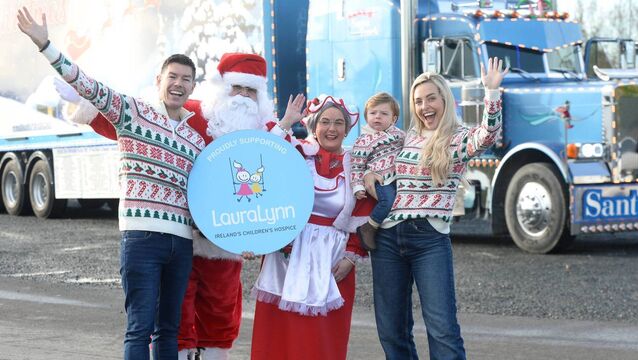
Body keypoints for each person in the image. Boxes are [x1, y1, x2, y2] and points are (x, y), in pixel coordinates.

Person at [56, 53, 279, 360]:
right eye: (237, 88)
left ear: (261, 96)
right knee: (174, 313)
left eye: (250, 91)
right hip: (182, 233)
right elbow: (130, 126)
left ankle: (213, 354)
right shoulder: (196, 116)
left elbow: (280, 191)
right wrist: (89, 109)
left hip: (227, 241)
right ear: (222, 89)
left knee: (221, 306)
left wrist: (263, 239)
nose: (242, 97)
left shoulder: (270, 134)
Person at [17, 7, 205, 360]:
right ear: (159, 79)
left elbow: (213, 195)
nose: (179, 84)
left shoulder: (197, 142)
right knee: (139, 328)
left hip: (181, 244)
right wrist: (46, 45)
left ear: (193, 85)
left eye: (186, 79)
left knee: (170, 331)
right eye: (173, 76)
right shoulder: (132, 112)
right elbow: (85, 84)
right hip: (142, 238)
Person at [365, 58, 508, 359]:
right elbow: (374, 156)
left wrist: (492, 93)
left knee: (442, 330)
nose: (424, 106)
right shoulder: (407, 137)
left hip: (428, 238)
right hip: (387, 239)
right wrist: (368, 173)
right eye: (418, 101)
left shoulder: (457, 139)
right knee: (392, 331)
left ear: (445, 100)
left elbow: (488, 135)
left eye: (431, 98)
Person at [245, 94, 369, 360]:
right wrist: (287, 122)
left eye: (338, 123)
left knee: (324, 336)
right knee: (279, 331)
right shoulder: (299, 153)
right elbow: (262, 156)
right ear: (314, 126)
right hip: (290, 252)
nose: (332, 129)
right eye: (325, 121)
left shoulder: (355, 166)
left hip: (333, 258)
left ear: (347, 129)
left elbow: (363, 212)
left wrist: (351, 256)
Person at [350, 92, 405, 250]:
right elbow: (357, 165)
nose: (377, 117)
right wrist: (358, 186)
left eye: (384, 113)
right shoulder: (364, 140)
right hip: (381, 178)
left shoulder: (399, 135)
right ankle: (369, 227)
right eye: (373, 113)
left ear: (393, 119)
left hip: (399, 176)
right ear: (366, 116)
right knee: (388, 201)